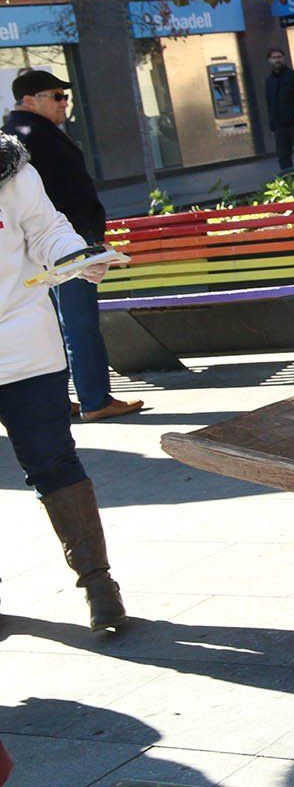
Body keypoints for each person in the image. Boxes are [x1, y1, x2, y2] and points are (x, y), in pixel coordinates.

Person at [0, 130, 130, 632]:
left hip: (25, 348)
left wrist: (79, 257)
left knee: (53, 463)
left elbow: (48, 229)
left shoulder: (10, 169)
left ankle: (99, 584)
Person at [3, 70, 143, 423]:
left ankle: (62, 400)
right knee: (79, 324)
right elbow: (54, 203)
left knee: (58, 323)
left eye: (66, 96)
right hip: (62, 247)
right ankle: (94, 398)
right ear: (29, 100)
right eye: (56, 96)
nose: (65, 103)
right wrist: (83, 243)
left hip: (59, 244)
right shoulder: (30, 137)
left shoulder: (23, 137)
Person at [264, 47, 294, 171]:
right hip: (279, 125)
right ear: (269, 60)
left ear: (284, 59)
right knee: (283, 156)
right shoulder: (270, 81)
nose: (277, 60)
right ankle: (289, 181)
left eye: (279, 57)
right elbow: (270, 103)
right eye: (274, 58)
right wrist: (272, 124)